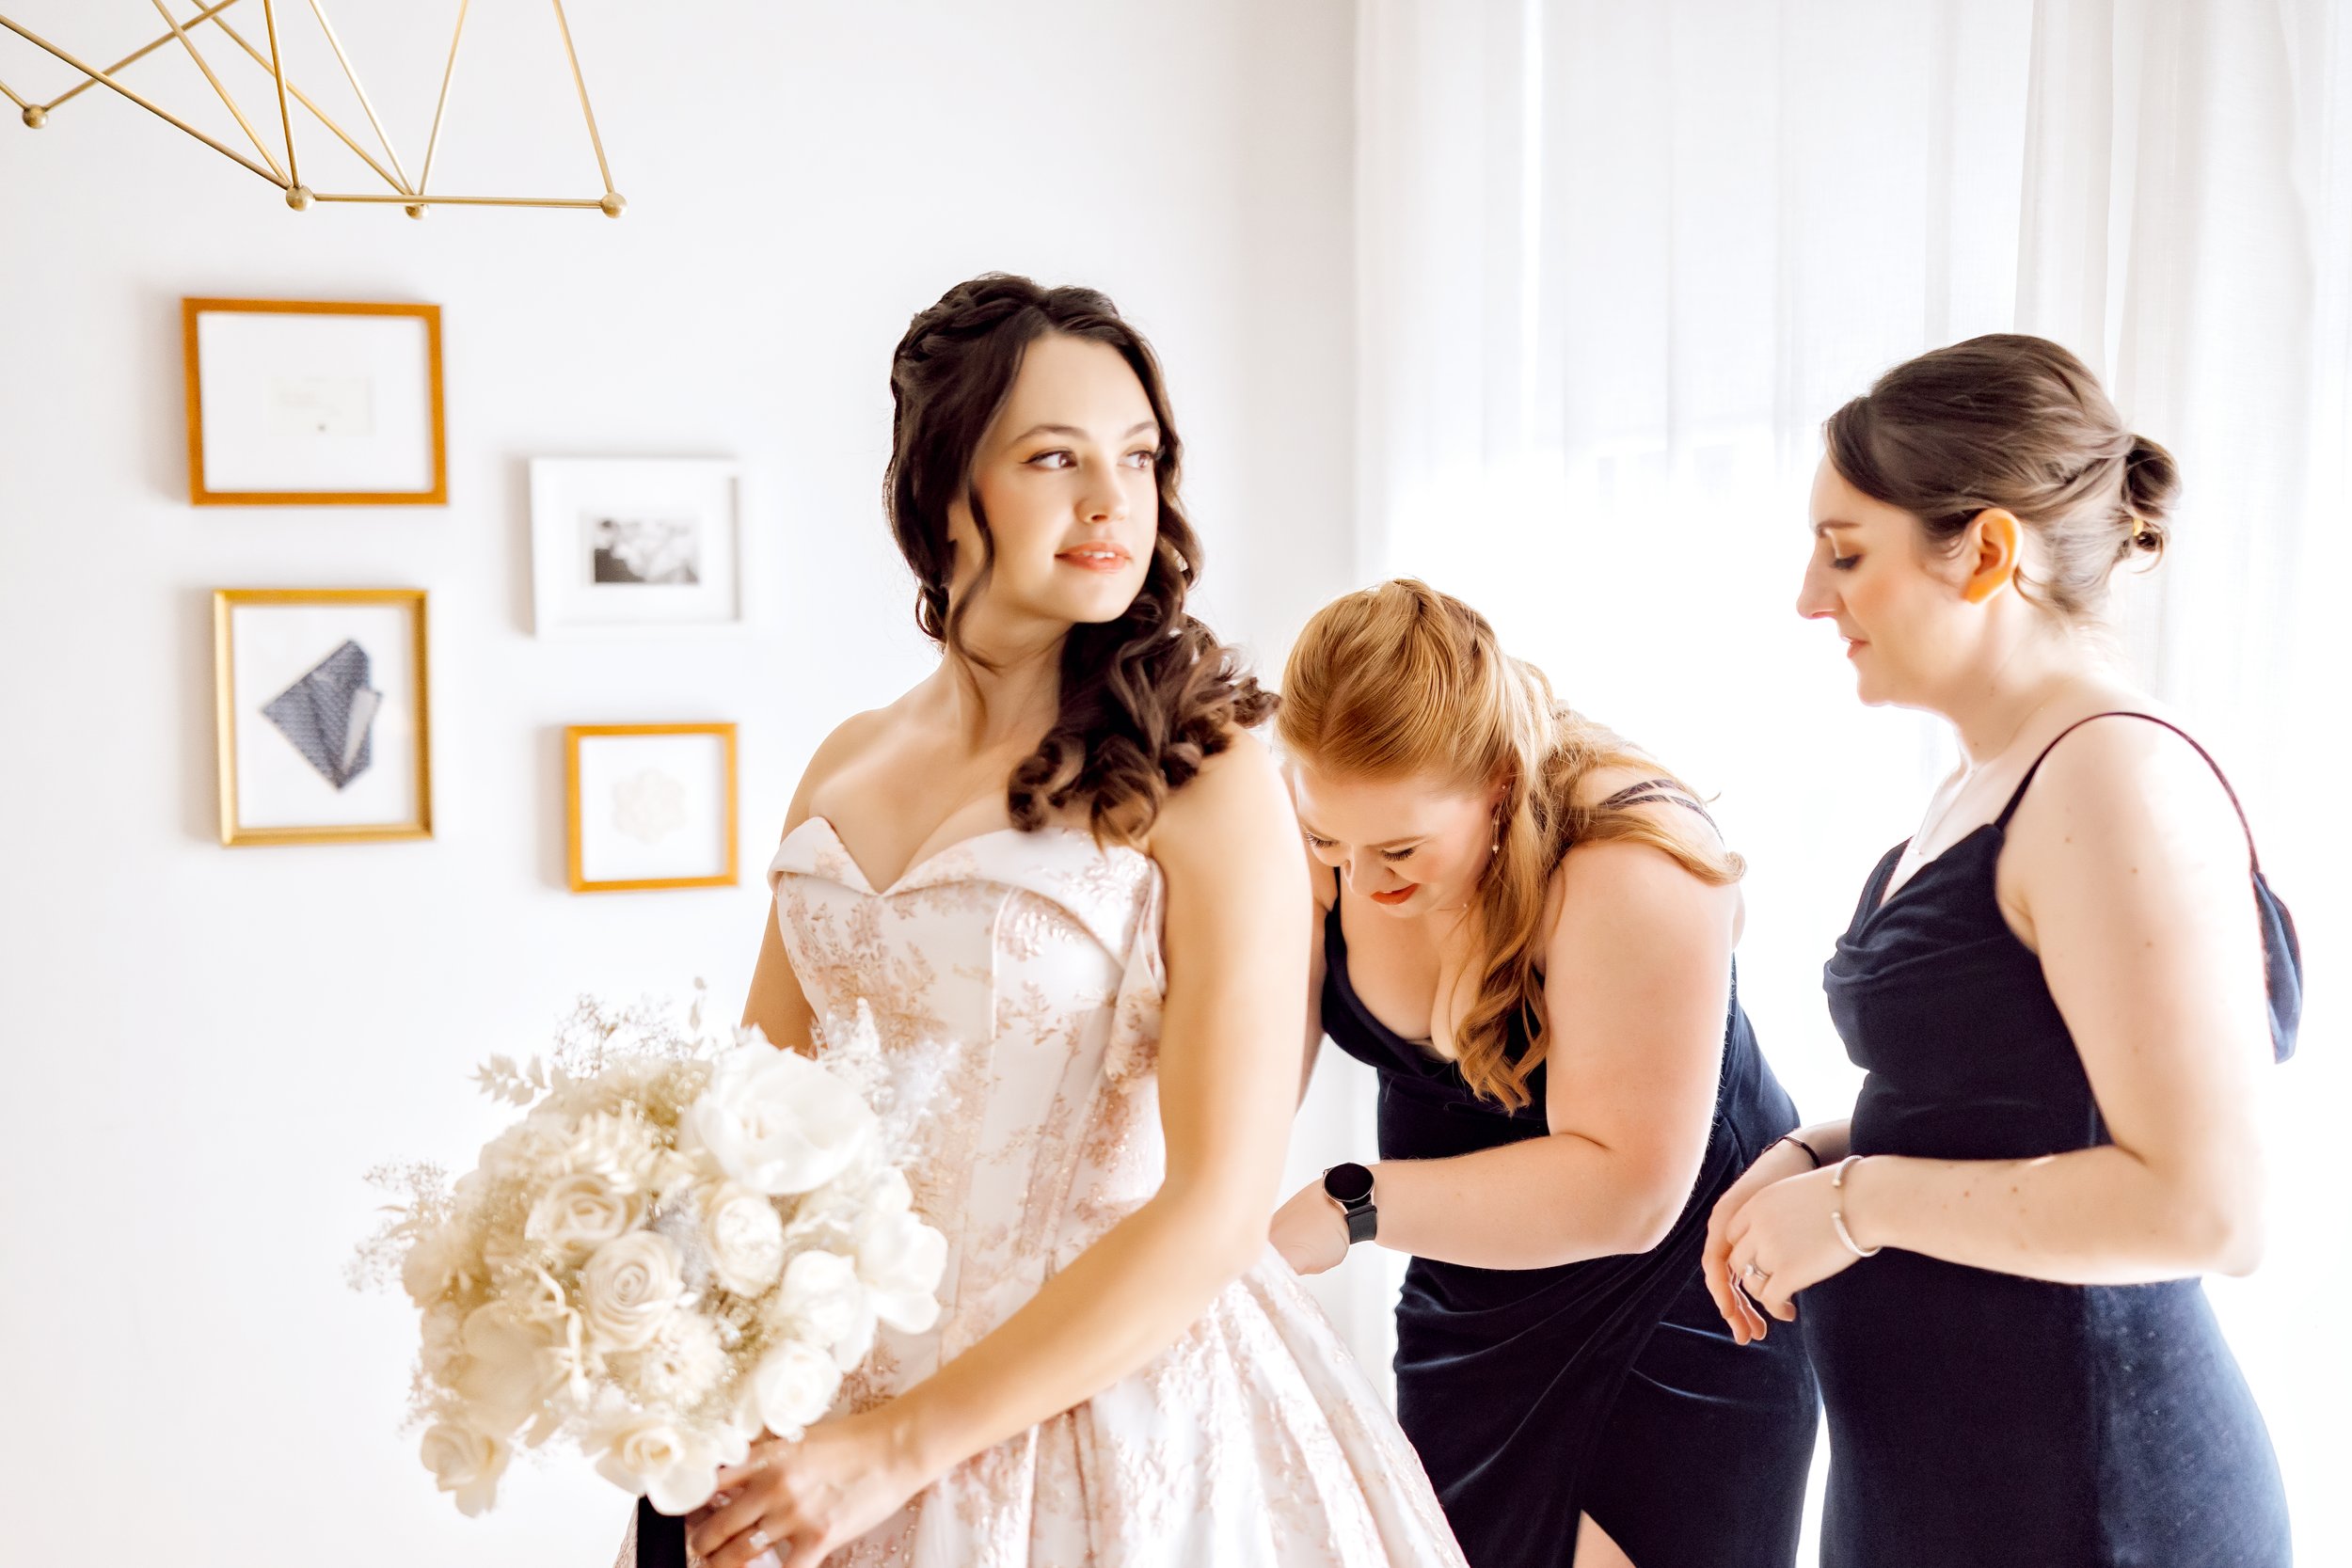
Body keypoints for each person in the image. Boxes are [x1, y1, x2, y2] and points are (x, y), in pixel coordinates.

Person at [624, 275, 1464, 1568]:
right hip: (824, 1392)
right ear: (944, 487)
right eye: (1054, 456)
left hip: (1102, 1412)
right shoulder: (845, 763)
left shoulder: (1210, 766)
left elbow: (1217, 1203)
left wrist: (897, 1447)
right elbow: (754, 1124)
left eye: (1137, 457)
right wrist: (654, 1349)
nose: (1110, 500)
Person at [1707, 334, 2300, 1567]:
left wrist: (1855, 1204)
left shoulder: (2114, 778)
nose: (1813, 598)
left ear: (1984, 551)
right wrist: (1811, 1156)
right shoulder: (1999, 776)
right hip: (1945, 1481)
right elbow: (2008, 1097)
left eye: (1847, 551)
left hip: (2087, 1498)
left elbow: (2207, 1205)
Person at [1268, 579, 1817, 1568]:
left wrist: (1348, 1203)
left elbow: (1627, 1193)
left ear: (1498, 786)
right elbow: (1252, 1080)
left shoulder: (1631, 858)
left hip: (1671, 1312)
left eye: (1399, 848)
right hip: (1468, 1309)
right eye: (1327, 841)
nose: (1361, 880)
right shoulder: (1333, 838)